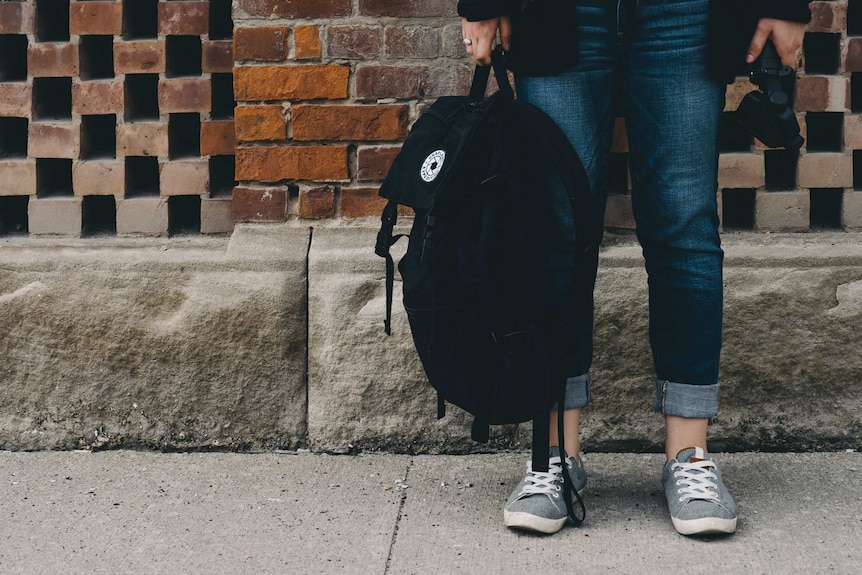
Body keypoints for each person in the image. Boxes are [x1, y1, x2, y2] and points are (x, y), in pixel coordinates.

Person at [457, 0, 811, 536]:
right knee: (557, 228)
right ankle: (553, 456)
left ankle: (690, 455)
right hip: (560, 10)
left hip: (685, 11)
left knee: (685, 224)